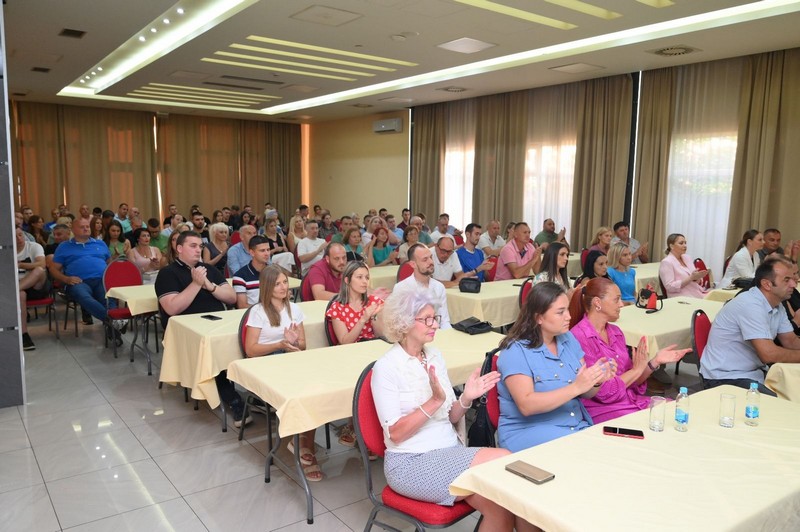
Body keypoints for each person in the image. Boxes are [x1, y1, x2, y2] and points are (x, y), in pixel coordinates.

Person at [371, 284, 536, 531]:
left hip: (448, 452)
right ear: (404, 323)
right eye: (426, 320)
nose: (435, 325)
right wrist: (433, 401)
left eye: (435, 318)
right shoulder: (387, 368)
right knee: (505, 461)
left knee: (503, 506)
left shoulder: (434, 355)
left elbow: (449, 417)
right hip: (409, 463)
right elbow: (395, 433)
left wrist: (466, 399)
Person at [496, 282, 615, 452]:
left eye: (567, 309)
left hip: (573, 425)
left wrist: (595, 380)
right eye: (560, 312)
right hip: (528, 431)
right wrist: (576, 387)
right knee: (593, 452)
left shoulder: (568, 339)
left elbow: (584, 392)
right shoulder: (515, 351)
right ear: (538, 317)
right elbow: (526, 405)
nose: (568, 316)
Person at [155, 232, 249, 426]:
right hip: (186, 331)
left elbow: (231, 298)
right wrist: (196, 284)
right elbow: (172, 308)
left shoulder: (208, 269)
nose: (198, 249)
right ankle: (234, 400)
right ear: (179, 248)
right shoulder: (167, 273)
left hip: (217, 322)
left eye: (200, 245)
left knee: (253, 339)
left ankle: (258, 392)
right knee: (212, 350)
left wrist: (210, 286)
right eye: (192, 245)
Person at [569, 278, 690, 423]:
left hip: (628, 401)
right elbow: (603, 393)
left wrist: (654, 362)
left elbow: (632, 380)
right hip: (602, 409)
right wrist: (636, 371)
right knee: (658, 421)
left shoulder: (616, 332)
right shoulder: (579, 337)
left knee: (674, 409)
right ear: (597, 303)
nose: (621, 304)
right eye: (616, 300)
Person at [700, 256, 800, 395]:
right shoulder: (750, 305)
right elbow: (769, 355)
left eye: (793, 279)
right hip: (725, 377)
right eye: (786, 280)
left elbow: (791, 341)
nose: (793, 285)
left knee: (793, 393)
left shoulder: (777, 305)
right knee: (778, 405)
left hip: (753, 373)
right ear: (767, 284)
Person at [50, 217, 121, 344]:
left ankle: (113, 329)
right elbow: (53, 269)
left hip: (101, 280)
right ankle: (113, 321)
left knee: (109, 298)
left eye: (87, 226)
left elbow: (109, 264)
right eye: (82, 227)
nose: (86, 228)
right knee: (84, 297)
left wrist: (113, 277)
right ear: (73, 230)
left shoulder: (100, 244)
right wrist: (66, 279)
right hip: (78, 281)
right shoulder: (64, 247)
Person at [394, 244, 451, 329]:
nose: (431, 262)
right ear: (413, 264)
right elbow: (398, 324)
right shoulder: (401, 288)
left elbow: (444, 321)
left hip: (437, 335)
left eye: (431, 257)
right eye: (425, 259)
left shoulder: (439, 287)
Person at [326, 261, 385, 345]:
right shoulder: (337, 308)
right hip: (352, 353)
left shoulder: (375, 302)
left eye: (367, 277)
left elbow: (383, 336)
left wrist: (376, 317)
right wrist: (363, 319)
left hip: (374, 347)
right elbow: (344, 342)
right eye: (359, 277)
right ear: (347, 280)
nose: (365, 281)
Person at [16, 227, 50, 350]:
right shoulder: (6, 250)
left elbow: (42, 264)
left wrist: (21, 264)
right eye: (15, 236)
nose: (19, 239)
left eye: (20, 235)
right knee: (20, 295)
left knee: (39, 270)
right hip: (19, 286)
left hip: (36, 286)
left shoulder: (34, 246)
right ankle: (24, 334)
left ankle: (13, 292)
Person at [658, 233, 710, 299]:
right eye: (681, 243)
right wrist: (690, 278)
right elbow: (670, 287)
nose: (685, 245)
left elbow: (696, 281)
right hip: (681, 298)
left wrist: (697, 277)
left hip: (697, 293)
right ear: (671, 246)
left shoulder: (687, 257)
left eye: (685, 243)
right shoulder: (666, 262)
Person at [233, 236, 271, 308]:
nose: (267, 254)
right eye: (262, 250)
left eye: (268, 250)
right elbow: (242, 306)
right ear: (252, 252)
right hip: (252, 316)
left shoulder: (275, 272)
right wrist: (267, 309)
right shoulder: (240, 276)